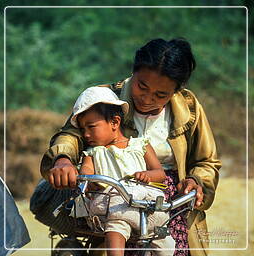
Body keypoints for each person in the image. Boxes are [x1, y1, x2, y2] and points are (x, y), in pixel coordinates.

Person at [40, 38, 221, 256]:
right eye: (141, 86)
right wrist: (63, 159)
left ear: (176, 91)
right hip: (114, 195)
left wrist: (196, 181)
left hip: (169, 202)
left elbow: (206, 161)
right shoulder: (104, 99)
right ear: (133, 72)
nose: (147, 99)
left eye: (160, 95)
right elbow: (70, 135)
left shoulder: (189, 108)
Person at [66, 86, 175, 256]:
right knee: (115, 228)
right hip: (115, 208)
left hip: (146, 206)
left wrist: (147, 175)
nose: (86, 134)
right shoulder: (93, 153)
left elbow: (160, 174)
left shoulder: (141, 145)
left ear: (115, 123)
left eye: (91, 127)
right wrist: (87, 180)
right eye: (82, 130)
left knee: (165, 242)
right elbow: (86, 172)